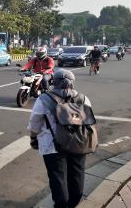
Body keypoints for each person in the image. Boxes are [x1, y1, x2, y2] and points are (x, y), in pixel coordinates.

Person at [28, 69, 93, 208]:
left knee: (57, 176)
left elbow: (35, 122)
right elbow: (89, 122)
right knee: (77, 174)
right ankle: (74, 202)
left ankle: (61, 205)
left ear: (54, 82)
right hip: (78, 143)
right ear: (73, 83)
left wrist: (33, 139)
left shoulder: (44, 99)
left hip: (52, 146)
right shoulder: (83, 98)